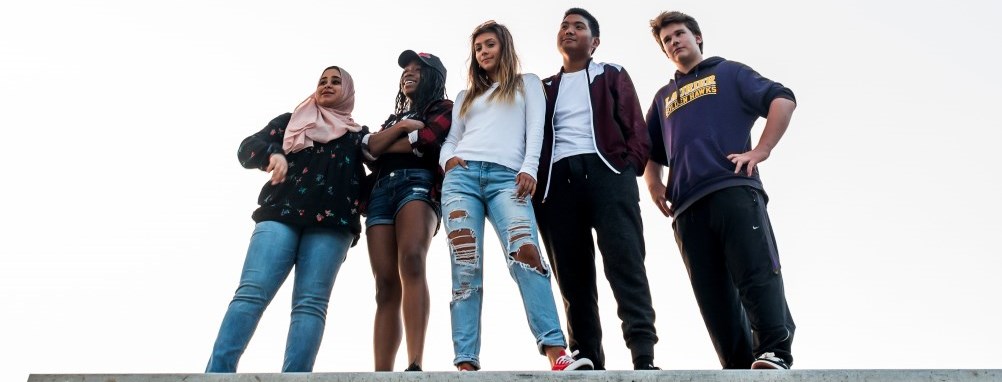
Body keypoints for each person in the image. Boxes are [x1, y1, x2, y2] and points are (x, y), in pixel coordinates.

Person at [644, 11, 798, 370]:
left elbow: (782, 99)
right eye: (667, 40)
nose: (674, 41)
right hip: (686, 208)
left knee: (756, 273)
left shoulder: (728, 72)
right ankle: (738, 367)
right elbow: (649, 150)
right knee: (713, 297)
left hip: (733, 189)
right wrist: (653, 183)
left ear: (697, 38)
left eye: (679, 34)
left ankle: (774, 351)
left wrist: (760, 150)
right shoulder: (663, 97)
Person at [439, 20, 593, 372]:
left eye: (489, 45)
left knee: (527, 258)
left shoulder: (527, 84)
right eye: (478, 48)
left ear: (503, 47)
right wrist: (448, 161)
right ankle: (465, 363)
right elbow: (451, 140)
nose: (483, 52)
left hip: (508, 178)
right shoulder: (465, 97)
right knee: (465, 266)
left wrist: (529, 169)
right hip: (461, 180)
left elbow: (535, 129)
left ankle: (557, 353)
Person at [206, 65, 368, 373]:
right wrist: (273, 154)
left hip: (332, 225)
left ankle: (295, 378)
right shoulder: (290, 122)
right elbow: (246, 149)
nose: (328, 85)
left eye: (336, 82)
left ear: (347, 91)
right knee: (251, 293)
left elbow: (365, 181)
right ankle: (217, 375)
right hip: (280, 214)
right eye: (322, 81)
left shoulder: (358, 136)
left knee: (310, 305)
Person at [533, 8, 658, 371]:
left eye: (579, 26)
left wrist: (627, 169)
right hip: (558, 185)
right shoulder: (544, 88)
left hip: (607, 175)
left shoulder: (611, 74)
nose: (569, 31)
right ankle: (586, 355)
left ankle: (643, 354)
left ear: (595, 41)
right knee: (572, 276)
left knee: (625, 263)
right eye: (564, 26)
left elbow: (636, 127)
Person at [360, 50, 452, 372]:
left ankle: (415, 363)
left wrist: (387, 143)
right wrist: (401, 130)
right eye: (406, 70)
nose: (409, 73)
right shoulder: (393, 118)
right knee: (385, 283)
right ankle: (381, 374)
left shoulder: (444, 108)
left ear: (434, 77)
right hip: (380, 193)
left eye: (418, 69)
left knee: (412, 259)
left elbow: (426, 142)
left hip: (418, 184)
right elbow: (369, 150)